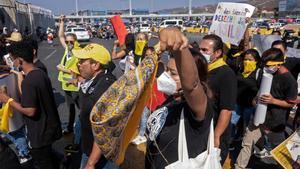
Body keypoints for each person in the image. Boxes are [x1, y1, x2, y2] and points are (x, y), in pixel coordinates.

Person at [145, 28, 214, 169]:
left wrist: (179, 48)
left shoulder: (197, 107)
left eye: (173, 73)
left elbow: (192, 85)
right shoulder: (171, 99)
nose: (166, 76)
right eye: (166, 70)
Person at [0, 41, 62, 169]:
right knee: (50, 158)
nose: (12, 62)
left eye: (12, 59)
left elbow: (30, 111)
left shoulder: (29, 81)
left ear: (20, 60)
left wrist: (8, 100)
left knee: (44, 163)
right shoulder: (39, 73)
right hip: (49, 129)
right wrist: (16, 74)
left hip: (39, 134)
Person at [234, 48, 298, 169]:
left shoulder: (289, 81)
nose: (265, 67)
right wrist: (256, 99)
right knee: (246, 144)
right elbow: (261, 90)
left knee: (279, 152)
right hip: (257, 117)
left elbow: (290, 103)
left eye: (268, 65)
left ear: (279, 64)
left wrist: (273, 101)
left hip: (275, 122)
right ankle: (239, 167)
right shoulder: (267, 74)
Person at [71, 43, 117, 169]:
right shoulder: (92, 81)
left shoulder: (104, 87)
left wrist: (91, 162)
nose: (78, 64)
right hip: (89, 149)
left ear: (95, 65)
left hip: (100, 157)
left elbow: (104, 129)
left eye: (82, 61)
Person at [199, 34, 237, 164]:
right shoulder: (203, 69)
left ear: (218, 53)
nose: (201, 53)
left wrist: (216, 136)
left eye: (205, 50)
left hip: (214, 130)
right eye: (200, 49)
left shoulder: (226, 74)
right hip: (201, 129)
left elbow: (226, 109)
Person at [58, 15, 81, 134]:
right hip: (66, 85)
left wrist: (64, 69)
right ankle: (70, 128)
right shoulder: (67, 50)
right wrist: (62, 22)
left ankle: (84, 128)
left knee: (81, 108)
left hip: (75, 85)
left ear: (76, 42)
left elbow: (80, 71)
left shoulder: (79, 53)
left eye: (71, 41)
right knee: (70, 108)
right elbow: (61, 36)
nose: (68, 43)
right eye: (67, 42)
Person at [234, 49, 261, 140]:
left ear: (256, 61)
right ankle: (232, 139)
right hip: (237, 103)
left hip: (250, 106)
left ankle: (245, 142)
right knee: (232, 123)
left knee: (247, 125)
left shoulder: (259, 72)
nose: (247, 62)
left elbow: (261, 89)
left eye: (250, 60)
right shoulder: (240, 69)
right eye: (245, 59)